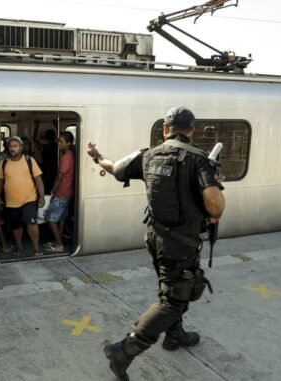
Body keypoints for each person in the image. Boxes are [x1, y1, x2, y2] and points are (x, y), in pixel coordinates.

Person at [87, 107, 225, 381]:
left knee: (175, 285)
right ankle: (124, 351)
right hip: (181, 242)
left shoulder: (147, 155)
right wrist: (214, 192)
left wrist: (97, 156)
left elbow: (114, 168)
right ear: (192, 130)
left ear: (165, 128)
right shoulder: (199, 160)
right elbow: (216, 207)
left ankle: (175, 335)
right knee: (172, 300)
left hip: (155, 237)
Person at [0, 136, 45, 256]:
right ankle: (19, 248)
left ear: (21, 147)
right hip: (11, 202)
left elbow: (38, 180)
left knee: (32, 224)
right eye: (10, 146)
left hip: (29, 199)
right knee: (16, 226)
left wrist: (42, 197)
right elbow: (0, 181)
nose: (12, 148)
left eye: (15, 146)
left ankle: (36, 248)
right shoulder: (4, 163)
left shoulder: (29, 160)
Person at [44, 131, 75, 252]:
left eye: (61, 142)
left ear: (68, 143)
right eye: (58, 141)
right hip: (68, 192)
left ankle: (59, 244)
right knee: (61, 218)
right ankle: (58, 240)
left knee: (50, 219)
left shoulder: (65, 157)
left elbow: (59, 176)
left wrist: (52, 189)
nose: (58, 144)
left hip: (61, 192)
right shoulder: (71, 153)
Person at [33, 121, 59, 194]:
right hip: (55, 170)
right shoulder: (58, 147)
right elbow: (61, 137)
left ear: (46, 138)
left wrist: (37, 125)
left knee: (47, 189)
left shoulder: (43, 147)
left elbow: (34, 139)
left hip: (46, 170)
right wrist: (56, 125)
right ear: (54, 137)